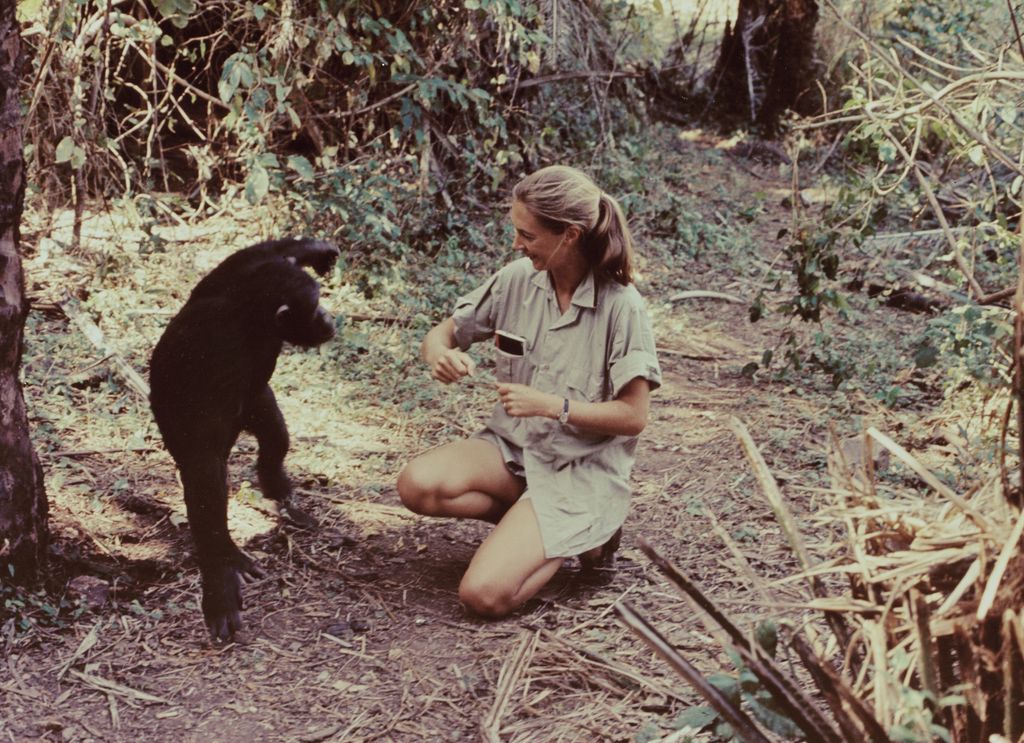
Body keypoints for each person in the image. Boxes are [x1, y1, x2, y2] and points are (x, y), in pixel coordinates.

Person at [396, 165, 662, 618]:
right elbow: (442, 334)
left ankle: (589, 533)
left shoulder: (622, 306)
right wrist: (439, 354)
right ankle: (543, 532)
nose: (517, 244)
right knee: (417, 485)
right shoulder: (518, 278)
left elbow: (634, 416)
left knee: (483, 595)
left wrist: (553, 407)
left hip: (579, 468)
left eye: (528, 235)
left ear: (570, 236)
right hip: (515, 450)